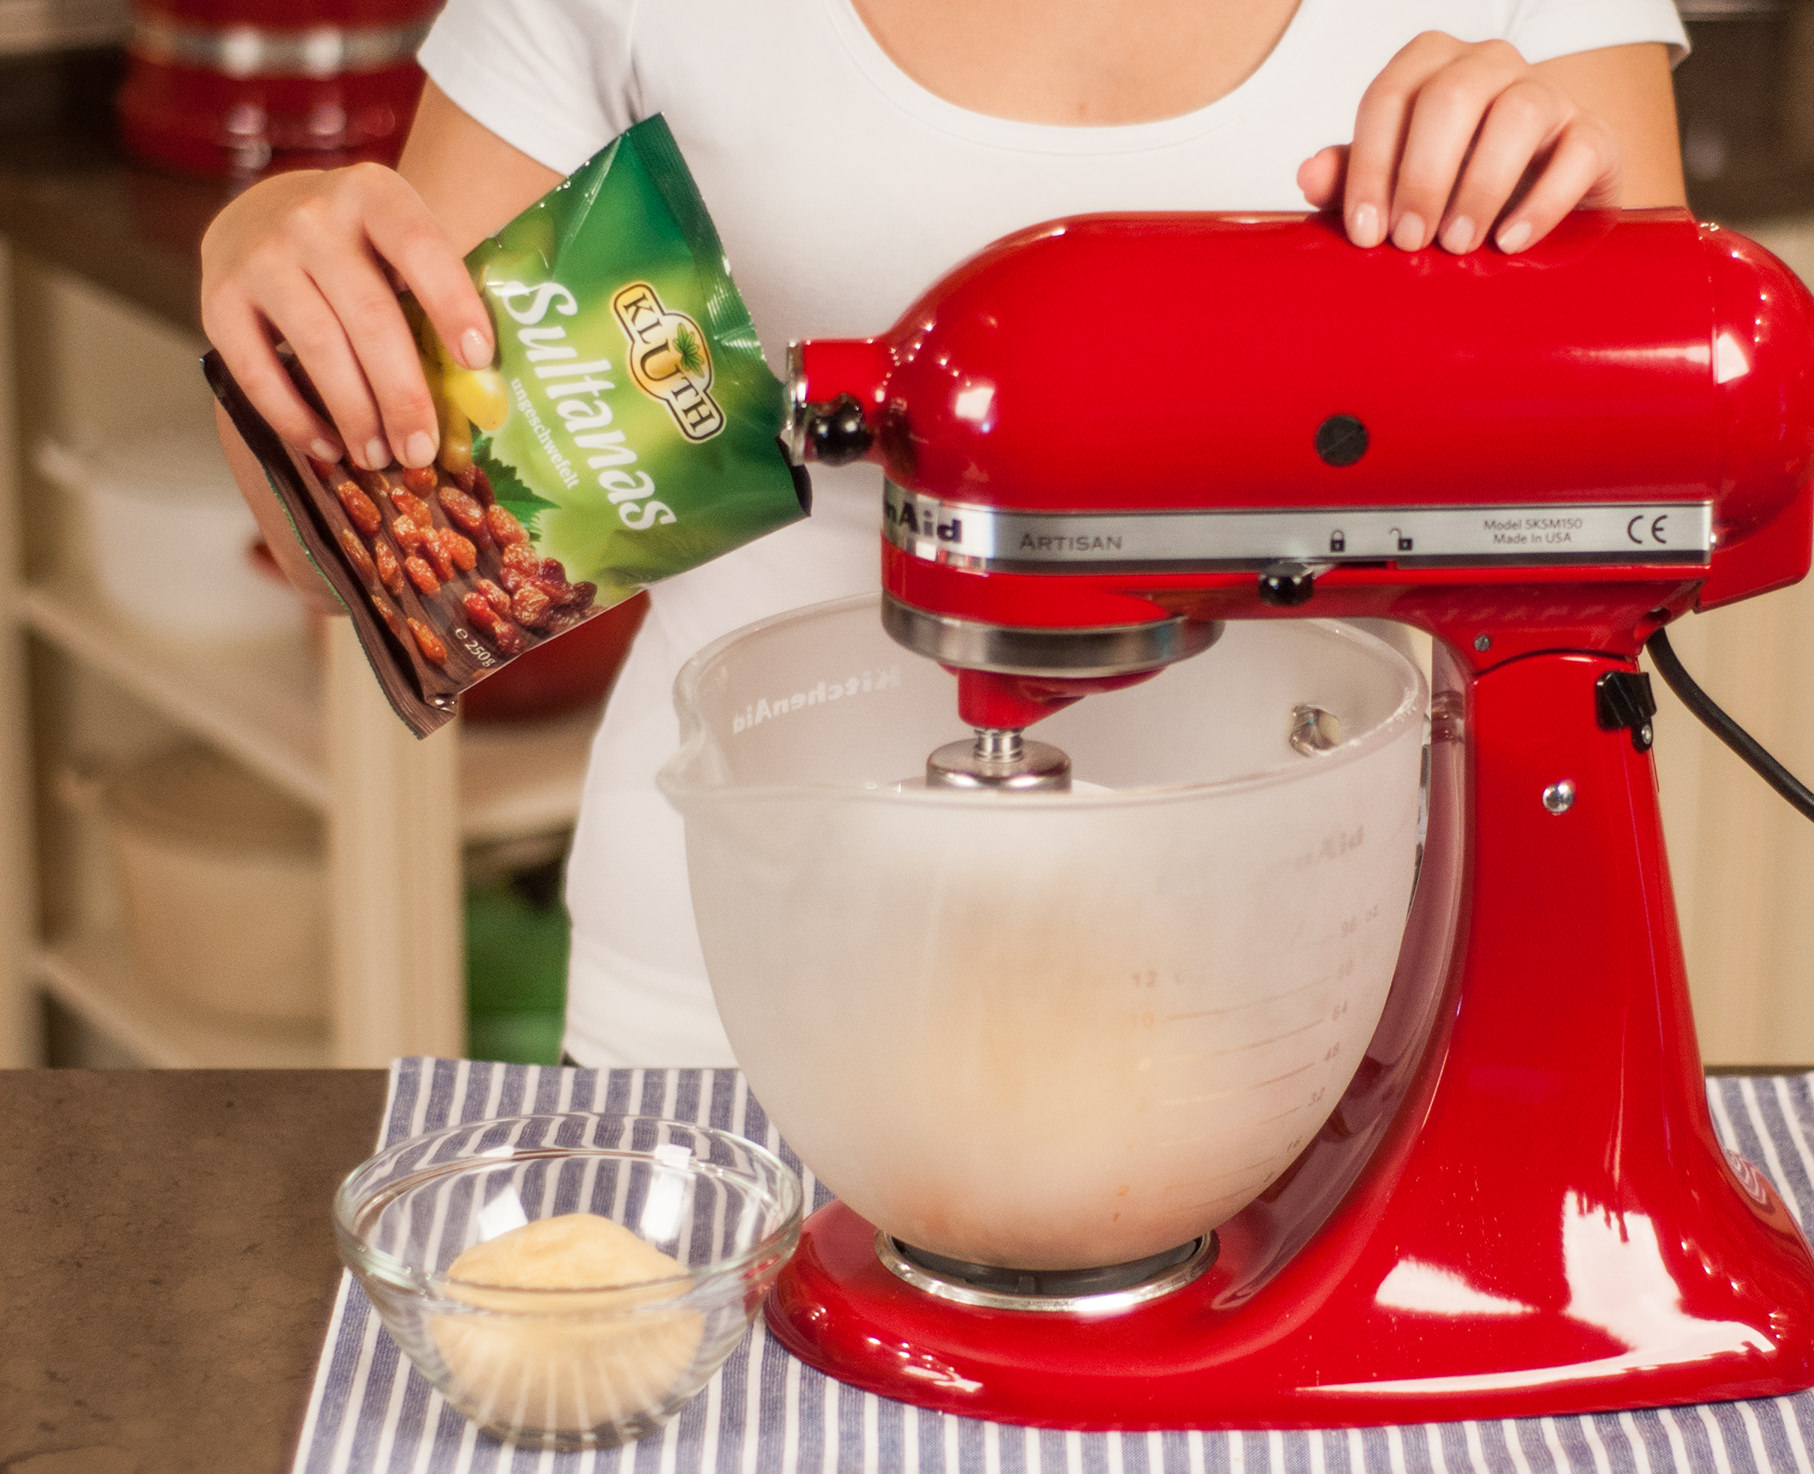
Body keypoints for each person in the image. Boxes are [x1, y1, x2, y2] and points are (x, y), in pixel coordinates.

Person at [201, 0, 1689, 1067]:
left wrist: (1564, 255)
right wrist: (269, 280)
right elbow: (367, 522)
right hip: (739, 999)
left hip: (1316, 1000)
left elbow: (1663, 480)